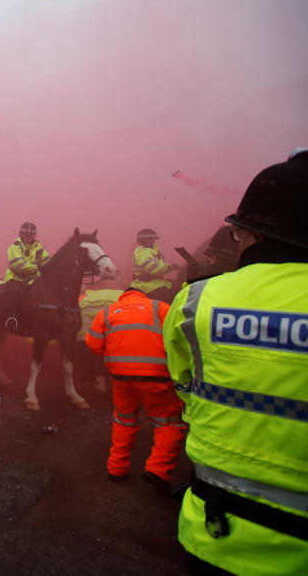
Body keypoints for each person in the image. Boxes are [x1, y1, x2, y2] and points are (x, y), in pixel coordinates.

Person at [163, 148, 308, 576]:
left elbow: (184, 383)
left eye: (239, 233)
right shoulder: (23, 245)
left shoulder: (197, 299)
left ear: (256, 235)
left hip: (211, 531)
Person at [86, 287, 186, 490]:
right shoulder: (161, 308)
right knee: (168, 422)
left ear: (123, 296)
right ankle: (157, 469)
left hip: (121, 377)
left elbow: (93, 344)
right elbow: (179, 338)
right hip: (157, 378)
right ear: (142, 295)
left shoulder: (108, 311)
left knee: (124, 419)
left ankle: (116, 469)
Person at [0, 222, 50, 330]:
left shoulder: (38, 247)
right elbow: (20, 265)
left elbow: (47, 261)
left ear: (34, 235)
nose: (29, 237)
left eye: (31, 235)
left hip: (33, 278)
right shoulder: (15, 247)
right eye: (26, 235)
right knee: (14, 293)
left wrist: (49, 267)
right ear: (21, 234)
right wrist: (37, 267)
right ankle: (10, 318)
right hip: (16, 277)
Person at [76, 284, 123, 393]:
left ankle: (99, 383)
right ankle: (115, 383)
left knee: (95, 356)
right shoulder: (120, 295)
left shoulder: (84, 297)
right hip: (114, 333)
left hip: (88, 334)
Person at [131, 228, 179, 302]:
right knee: (172, 299)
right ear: (143, 240)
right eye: (151, 239)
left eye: (153, 239)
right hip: (146, 286)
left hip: (155, 283)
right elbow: (151, 268)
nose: (153, 241)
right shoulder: (143, 252)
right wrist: (169, 267)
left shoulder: (152, 251)